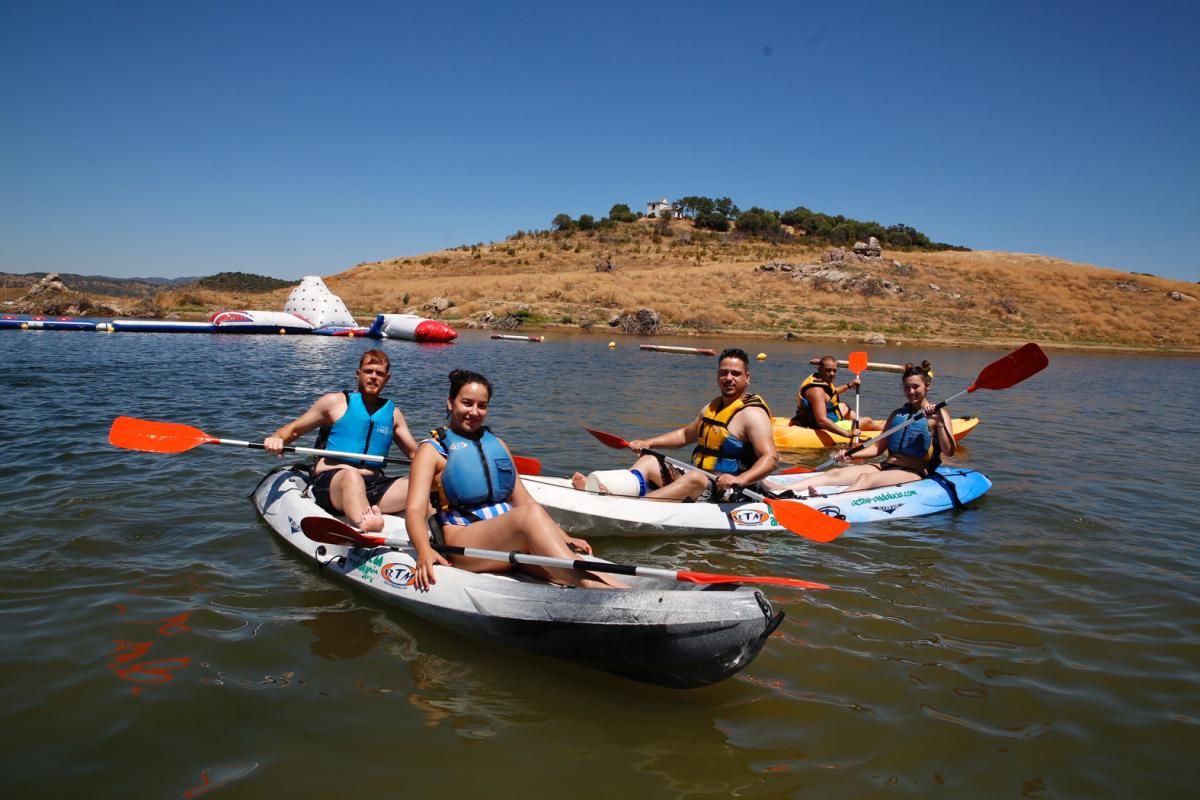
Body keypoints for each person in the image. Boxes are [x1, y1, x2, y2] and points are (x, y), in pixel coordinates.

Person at [405, 369, 621, 591]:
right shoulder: (431, 451)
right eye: (467, 403)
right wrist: (424, 550)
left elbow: (524, 500)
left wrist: (564, 536)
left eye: (482, 405)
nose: (474, 411)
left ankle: (621, 592)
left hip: (506, 541)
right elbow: (414, 509)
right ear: (450, 403)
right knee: (530, 519)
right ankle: (592, 587)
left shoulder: (498, 445)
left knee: (570, 565)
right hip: (462, 543)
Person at [572, 348, 779, 501]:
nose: (729, 378)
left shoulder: (752, 414)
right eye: (724, 372)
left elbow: (770, 459)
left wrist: (740, 480)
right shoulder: (712, 408)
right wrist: (648, 443)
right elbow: (684, 436)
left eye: (735, 373)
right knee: (649, 460)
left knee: (695, 478)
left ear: (747, 378)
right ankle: (616, 490)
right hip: (704, 482)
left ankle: (635, 506)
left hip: (733, 491)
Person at [264, 349, 418, 533]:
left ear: (387, 378)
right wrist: (277, 438)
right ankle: (366, 524)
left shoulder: (393, 414)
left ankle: (439, 535)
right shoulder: (334, 402)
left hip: (375, 485)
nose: (374, 377)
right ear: (358, 373)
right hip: (333, 483)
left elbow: (415, 454)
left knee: (423, 485)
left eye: (380, 373)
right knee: (351, 476)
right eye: (368, 371)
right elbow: (293, 430)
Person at [772, 361, 955, 495]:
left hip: (913, 472)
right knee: (835, 473)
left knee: (866, 479)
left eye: (916, 387)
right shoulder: (897, 415)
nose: (911, 392)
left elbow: (949, 451)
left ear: (927, 386)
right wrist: (850, 454)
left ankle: (826, 501)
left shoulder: (938, 415)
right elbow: (877, 448)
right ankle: (780, 490)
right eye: (907, 388)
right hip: (886, 465)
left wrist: (939, 422)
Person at [789, 355, 880, 437]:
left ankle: (859, 421)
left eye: (834, 371)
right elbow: (821, 420)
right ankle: (881, 429)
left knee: (843, 406)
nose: (832, 374)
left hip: (821, 417)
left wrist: (849, 385)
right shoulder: (816, 390)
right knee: (867, 421)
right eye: (828, 370)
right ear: (820, 369)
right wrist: (847, 434)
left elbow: (832, 393)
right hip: (817, 425)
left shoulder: (820, 380)